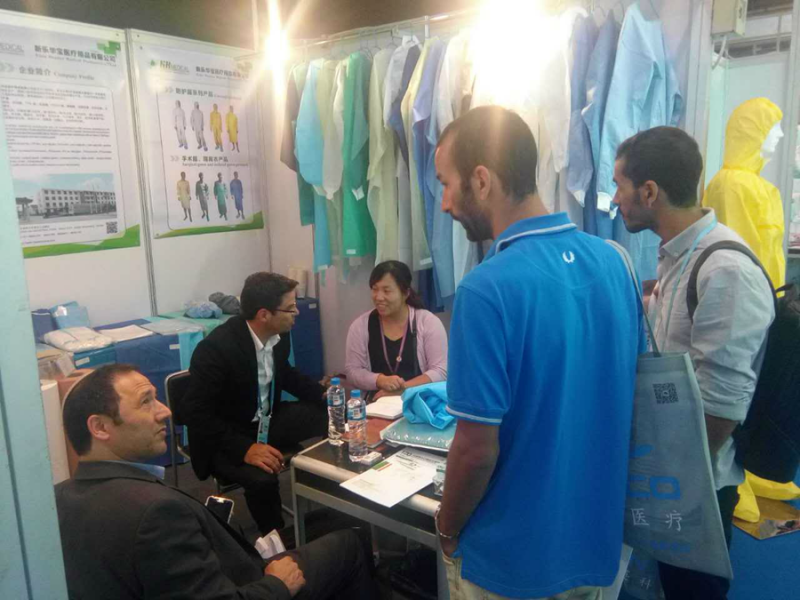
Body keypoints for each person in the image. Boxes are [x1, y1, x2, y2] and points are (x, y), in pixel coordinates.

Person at [433, 105, 642, 599]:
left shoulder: (485, 289)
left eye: (446, 184)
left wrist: (446, 526)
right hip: (597, 545)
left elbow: (475, 450)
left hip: (510, 564)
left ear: (481, 180)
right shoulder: (617, 264)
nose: (443, 203)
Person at [613, 126, 774, 600]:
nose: (615, 200)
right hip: (667, 476)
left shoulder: (725, 270)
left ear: (649, 192)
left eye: (620, 186)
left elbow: (722, 408)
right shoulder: (678, 256)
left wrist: (675, 486)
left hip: (697, 489)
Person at [56, 364, 376, 600]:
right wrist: (277, 586)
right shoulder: (156, 514)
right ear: (100, 427)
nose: (164, 411)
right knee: (348, 543)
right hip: (250, 584)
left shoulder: (57, 499)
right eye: (145, 401)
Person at [183, 272, 329, 535]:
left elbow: (285, 374)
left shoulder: (278, 335)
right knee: (263, 480)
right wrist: (245, 449)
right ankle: (275, 543)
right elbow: (196, 414)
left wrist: (323, 395)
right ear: (264, 315)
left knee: (331, 415)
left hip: (264, 420)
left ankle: (334, 497)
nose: (296, 312)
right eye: (290, 308)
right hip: (225, 435)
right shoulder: (216, 349)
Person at [345, 260, 447, 399]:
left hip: (418, 402)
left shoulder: (428, 322)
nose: (379, 297)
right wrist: (379, 380)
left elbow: (441, 371)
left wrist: (403, 389)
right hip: (376, 404)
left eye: (386, 291)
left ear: (405, 293)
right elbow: (352, 371)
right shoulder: (360, 326)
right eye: (374, 289)